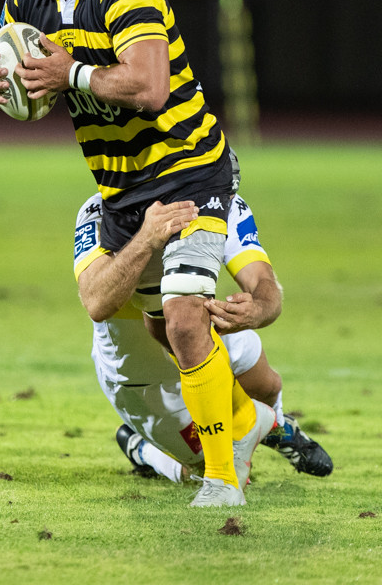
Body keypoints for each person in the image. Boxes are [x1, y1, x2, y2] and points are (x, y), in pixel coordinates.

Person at [0, 0, 254, 506]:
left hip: (190, 169)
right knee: (159, 327)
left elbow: (149, 89)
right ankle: (263, 420)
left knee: (182, 317)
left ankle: (223, 479)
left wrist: (67, 71)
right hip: (120, 192)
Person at [73, 193, 333, 485]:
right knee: (206, 465)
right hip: (144, 373)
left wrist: (257, 309)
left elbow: (264, 284)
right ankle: (144, 449)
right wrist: (146, 238)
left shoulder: (220, 198)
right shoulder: (99, 210)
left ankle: (277, 427)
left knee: (267, 386)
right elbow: (97, 303)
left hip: (197, 327)